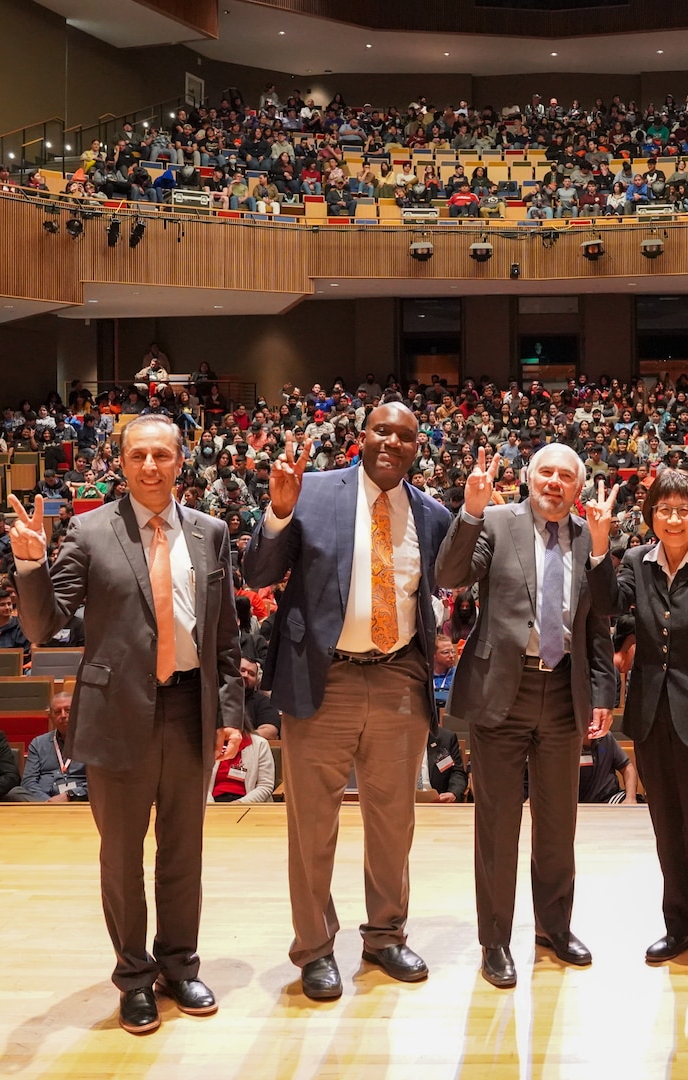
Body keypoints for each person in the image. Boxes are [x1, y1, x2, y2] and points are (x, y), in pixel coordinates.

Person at [10, 412, 244, 1035]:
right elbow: (43, 625)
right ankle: (134, 977)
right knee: (121, 856)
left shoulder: (210, 531)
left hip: (191, 709)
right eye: (138, 455)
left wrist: (230, 710)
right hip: (117, 716)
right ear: (121, 461)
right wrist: (31, 566)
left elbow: (224, 635)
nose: (150, 466)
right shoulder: (88, 532)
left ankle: (179, 964)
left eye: (161, 455)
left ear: (180, 460)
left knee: (183, 851)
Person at [241, 404, 451, 1002]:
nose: (391, 441)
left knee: (393, 822)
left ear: (418, 447)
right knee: (313, 826)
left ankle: (385, 936)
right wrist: (279, 512)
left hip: (397, 680)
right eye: (381, 430)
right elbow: (258, 571)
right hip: (322, 680)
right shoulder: (311, 492)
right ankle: (314, 947)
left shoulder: (431, 514)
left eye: (405, 435)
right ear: (361, 437)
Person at [435, 444, 618, 990]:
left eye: (566, 474)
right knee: (496, 824)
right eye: (546, 472)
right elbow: (451, 573)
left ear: (577, 487)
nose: (555, 482)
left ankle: (554, 929)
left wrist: (603, 691)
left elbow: (601, 618)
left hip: (565, 692)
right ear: (528, 478)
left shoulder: (590, 535)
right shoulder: (494, 521)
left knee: (559, 822)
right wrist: (468, 510)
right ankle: (494, 941)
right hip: (502, 692)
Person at [586, 468, 688, 991]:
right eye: (664, 509)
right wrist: (598, 547)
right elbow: (609, 603)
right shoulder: (636, 560)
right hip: (652, 720)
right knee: (669, 834)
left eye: (683, 509)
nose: (674, 518)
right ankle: (679, 928)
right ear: (651, 515)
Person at [8, 693, 88, 802]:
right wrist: (48, 802)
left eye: (68, 710)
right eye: (58, 712)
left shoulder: (92, 743)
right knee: (15, 792)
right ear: (50, 717)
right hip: (44, 798)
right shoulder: (38, 743)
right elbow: (29, 782)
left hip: (78, 798)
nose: (63, 715)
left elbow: (98, 783)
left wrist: (70, 795)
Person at [578, 731, 636, 804]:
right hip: (575, 804)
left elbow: (627, 767)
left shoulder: (605, 737)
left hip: (609, 799)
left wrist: (630, 798)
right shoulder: (565, 741)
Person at [424, 724, 469, 803]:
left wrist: (453, 792)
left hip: (439, 802)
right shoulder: (396, 737)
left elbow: (457, 772)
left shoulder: (446, 738)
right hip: (403, 802)